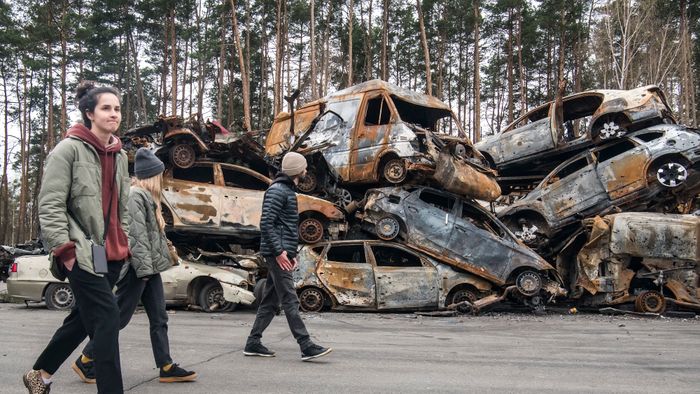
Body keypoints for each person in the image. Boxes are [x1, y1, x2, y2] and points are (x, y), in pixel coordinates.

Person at [24, 81, 130, 394]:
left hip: (110, 254)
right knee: (108, 319)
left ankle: (39, 375)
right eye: (106, 108)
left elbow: (122, 206)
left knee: (84, 319)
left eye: (117, 108)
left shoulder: (120, 156)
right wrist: (65, 250)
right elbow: (50, 204)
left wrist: (126, 244)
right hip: (79, 250)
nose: (114, 114)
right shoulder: (67, 150)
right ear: (89, 113)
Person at [72, 148, 197, 384]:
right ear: (151, 176)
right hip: (137, 271)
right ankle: (86, 360)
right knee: (118, 318)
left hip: (150, 270)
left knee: (159, 317)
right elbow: (136, 239)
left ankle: (166, 365)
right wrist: (146, 272)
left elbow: (150, 238)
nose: (162, 179)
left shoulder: (148, 199)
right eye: (159, 175)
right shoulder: (135, 196)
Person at [244, 152, 333, 361]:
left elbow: (283, 226)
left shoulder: (286, 190)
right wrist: (279, 252)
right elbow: (266, 223)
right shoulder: (277, 191)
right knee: (290, 300)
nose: (306, 171)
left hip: (281, 252)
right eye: (303, 168)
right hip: (277, 254)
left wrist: (289, 252)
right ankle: (306, 345)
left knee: (270, 302)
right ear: (296, 170)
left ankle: (253, 342)